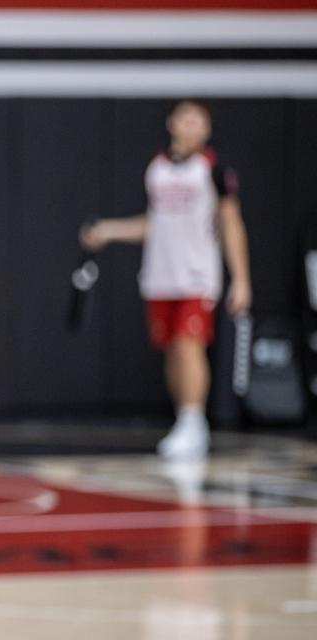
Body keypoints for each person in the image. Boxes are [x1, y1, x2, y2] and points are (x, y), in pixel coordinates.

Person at [81, 99, 252, 460]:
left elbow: (231, 224)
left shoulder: (214, 170)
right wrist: (108, 231)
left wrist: (241, 279)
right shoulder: (157, 169)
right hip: (161, 274)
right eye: (187, 119)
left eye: (200, 121)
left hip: (197, 274)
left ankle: (194, 422)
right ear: (173, 123)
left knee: (189, 346)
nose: (193, 126)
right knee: (174, 351)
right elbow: (154, 224)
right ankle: (183, 418)